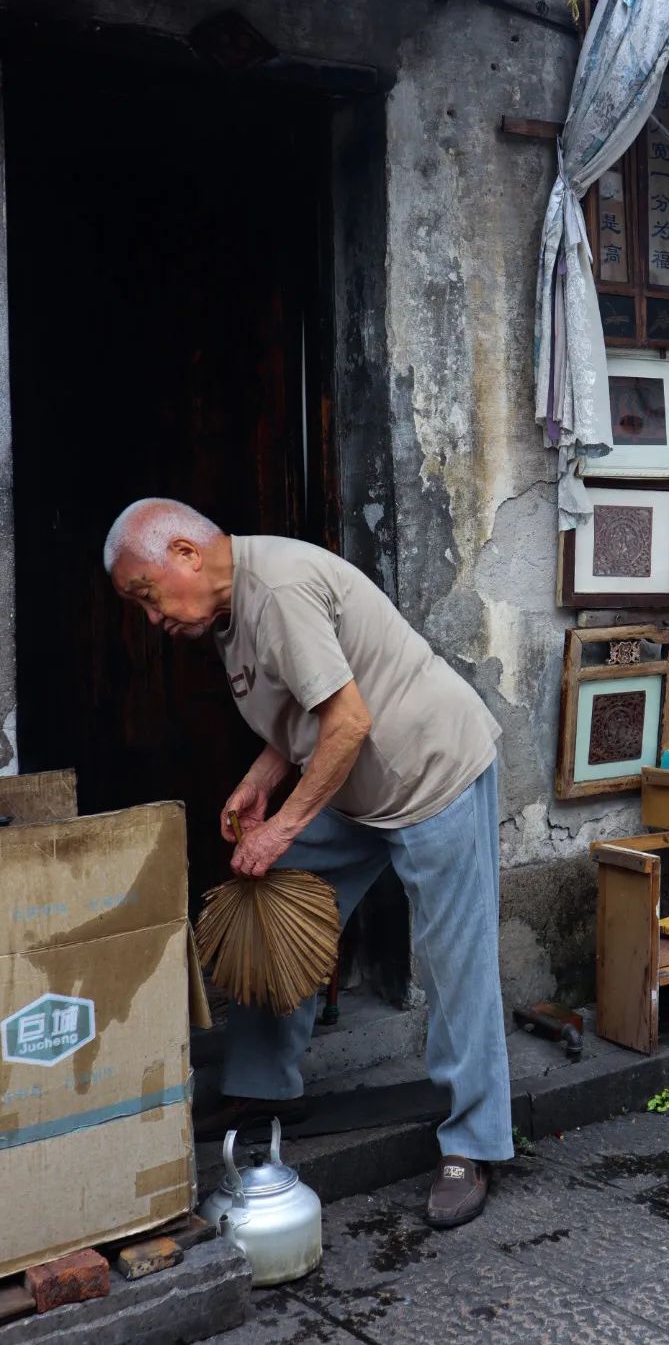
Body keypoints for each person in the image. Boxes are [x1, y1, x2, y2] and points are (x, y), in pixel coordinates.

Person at [104, 498, 512, 1228]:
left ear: (188, 557)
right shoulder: (231, 611)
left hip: (431, 772)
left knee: (458, 962)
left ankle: (472, 1144)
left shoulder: (280, 589)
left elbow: (349, 720)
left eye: (147, 596)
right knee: (266, 903)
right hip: (352, 783)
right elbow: (308, 712)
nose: (153, 621)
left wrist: (281, 827)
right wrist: (260, 784)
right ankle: (263, 1085)